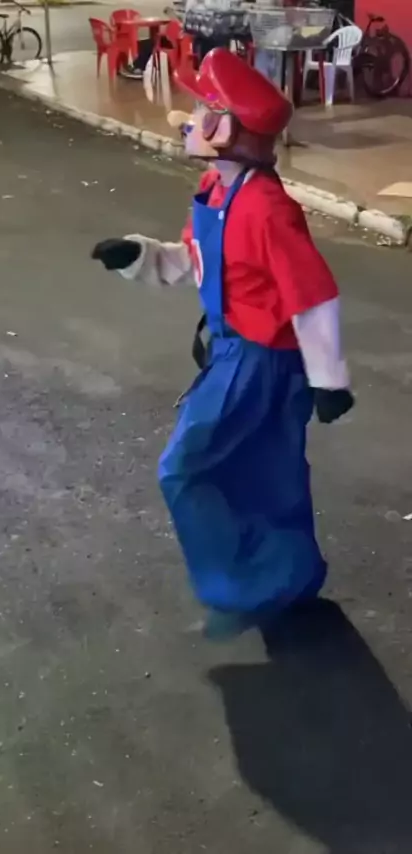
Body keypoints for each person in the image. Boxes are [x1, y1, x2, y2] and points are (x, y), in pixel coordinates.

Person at [92, 49, 354, 641]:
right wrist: (140, 256)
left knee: (185, 469)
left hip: (261, 361)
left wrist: (329, 381)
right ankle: (289, 576)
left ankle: (244, 587)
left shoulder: (268, 209)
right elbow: (198, 260)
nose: (188, 120)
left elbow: (310, 295)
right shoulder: (217, 187)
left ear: (229, 130)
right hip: (237, 353)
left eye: (204, 111)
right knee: (268, 472)